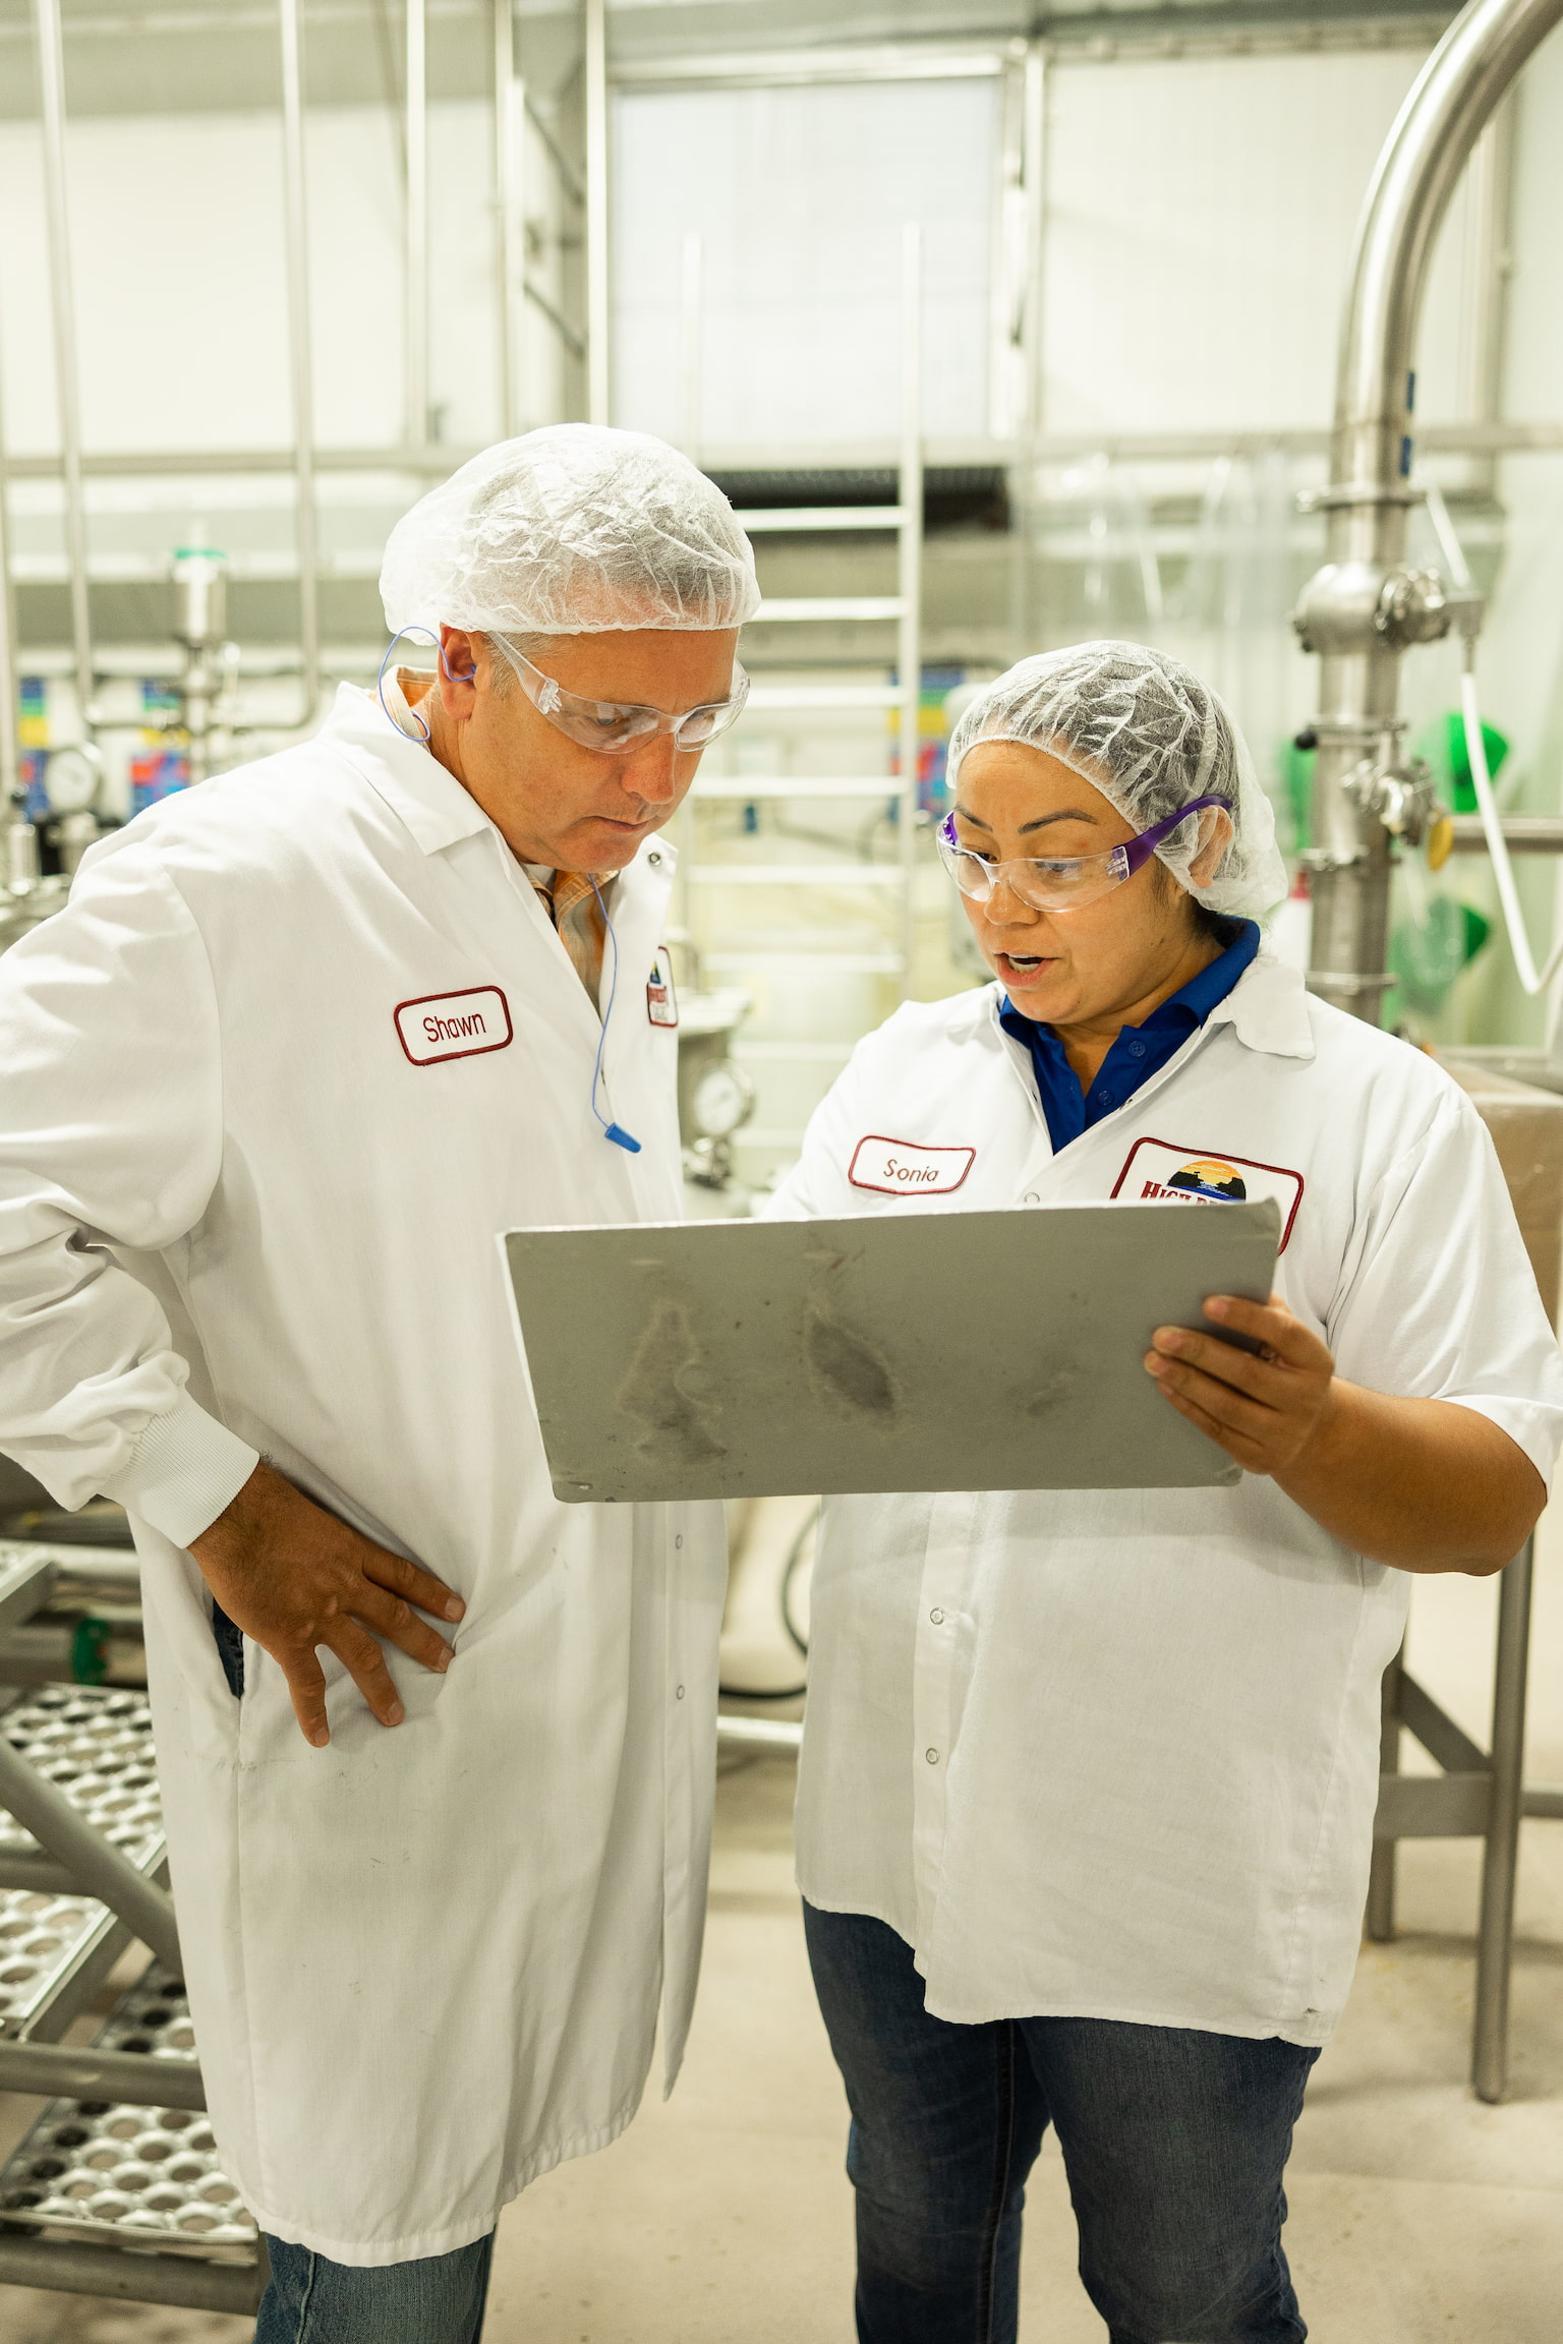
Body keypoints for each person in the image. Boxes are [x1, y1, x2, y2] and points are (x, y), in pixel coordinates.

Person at [0, 425, 759, 2340]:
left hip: (566, 1665)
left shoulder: (607, 885)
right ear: (452, 660)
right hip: (375, 1683)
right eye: (608, 723)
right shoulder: (238, 887)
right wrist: (210, 1491)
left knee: (480, 2173)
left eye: (697, 727)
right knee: (381, 2250)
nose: (655, 786)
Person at [765, 640, 1563, 2344]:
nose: (1000, 902)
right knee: (918, 2252)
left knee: (1182, 2286)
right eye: (971, 849)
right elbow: (779, 1355)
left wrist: (1312, 1429)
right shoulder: (901, 1072)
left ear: (1192, 847)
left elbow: (1494, 1504)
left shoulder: (1370, 1113)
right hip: (891, 1825)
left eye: (1058, 858)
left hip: (1166, 1847)